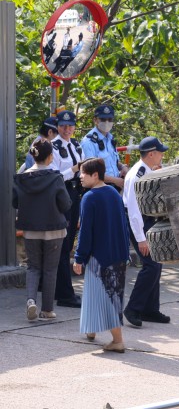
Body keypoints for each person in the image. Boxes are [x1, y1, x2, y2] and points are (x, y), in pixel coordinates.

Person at [74, 157, 131, 353]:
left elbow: (85, 232)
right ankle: (91, 330)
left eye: (83, 173)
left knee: (107, 297)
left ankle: (118, 340)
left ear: (95, 175)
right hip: (118, 252)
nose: (80, 176)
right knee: (103, 293)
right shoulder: (113, 193)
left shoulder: (89, 198)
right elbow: (123, 224)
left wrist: (79, 257)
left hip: (99, 256)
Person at [14, 138, 71, 322]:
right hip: (54, 230)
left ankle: (31, 300)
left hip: (31, 230)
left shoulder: (22, 178)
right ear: (50, 157)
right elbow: (65, 204)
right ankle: (47, 310)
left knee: (33, 267)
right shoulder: (55, 178)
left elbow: (15, 202)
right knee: (50, 269)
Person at [122, 137, 171, 328]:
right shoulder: (138, 175)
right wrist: (141, 239)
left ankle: (150, 309)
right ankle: (133, 308)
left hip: (146, 219)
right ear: (151, 154)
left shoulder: (148, 170)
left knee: (156, 263)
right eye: (160, 152)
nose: (162, 155)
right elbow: (134, 210)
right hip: (138, 221)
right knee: (151, 265)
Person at [51, 110, 85, 308]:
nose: (67, 129)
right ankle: (64, 293)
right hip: (61, 194)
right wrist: (72, 170)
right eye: (63, 126)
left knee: (68, 243)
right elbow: (54, 177)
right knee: (63, 245)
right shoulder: (53, 147)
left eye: (70, 125)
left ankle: (62, 289)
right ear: (57, 126)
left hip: (75, 194)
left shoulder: (77, 145)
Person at [81, 104, 127, 189]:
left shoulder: (110, 138)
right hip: (99, 188)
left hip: (115, 186)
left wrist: (122, 167)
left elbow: (114, 161)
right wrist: (115, 180)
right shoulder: (89, 142)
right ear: (95, 120)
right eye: (103, 119)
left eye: (110, 119)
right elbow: (92, 172)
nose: (107, 122)